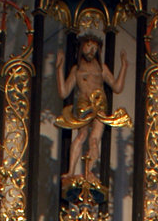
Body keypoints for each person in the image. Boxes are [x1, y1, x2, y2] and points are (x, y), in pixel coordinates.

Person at [54, 34, 131, 180]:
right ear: (82, 47)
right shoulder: (77, 70)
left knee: (95, 140)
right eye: (89, 46)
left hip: (100, 105)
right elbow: (63, 92)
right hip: (84, 104)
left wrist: (124, 67)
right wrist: (59, 69)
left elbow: (117, 87)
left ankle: (88, 172)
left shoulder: (101, 69)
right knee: (81, 136)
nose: (91, 50)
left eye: (95, 48)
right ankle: (71, 171)